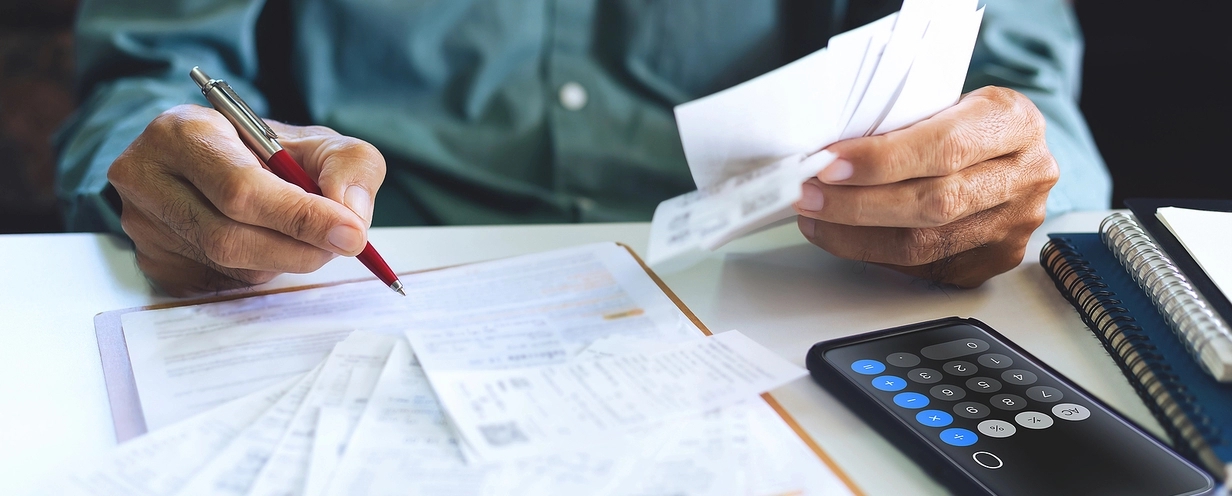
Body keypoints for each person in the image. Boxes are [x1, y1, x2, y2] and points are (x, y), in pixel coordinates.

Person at [56, 0, 1110, 296]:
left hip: (781, 293)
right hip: (334, 288)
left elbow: (1020, 100)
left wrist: (985, 180)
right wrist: (177, 174)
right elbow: (145, 86)